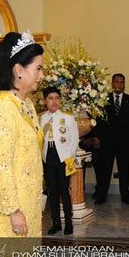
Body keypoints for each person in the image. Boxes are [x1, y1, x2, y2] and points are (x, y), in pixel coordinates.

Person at [0, 31, 44, 243]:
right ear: (19, 70)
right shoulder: (2, 106)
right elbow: (1, 164)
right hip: (11, 209)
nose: (41, 75)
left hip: (29, 200)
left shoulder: (26, 104)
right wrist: (13, 210)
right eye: (38, 69)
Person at [92, 73, 129, 205]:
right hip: (107, 141)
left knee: (124, 169)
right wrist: (96, 137)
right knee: (105, 169)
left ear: (124, 84)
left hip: (124, 142)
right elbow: (98, 120)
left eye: (122, 82)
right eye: (117, 82)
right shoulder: (103, 100)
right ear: (112, 83)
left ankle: (125, 195)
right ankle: (101, 195)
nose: (119, 85)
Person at [40, 86, 79, 235]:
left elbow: (74, 140)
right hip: (48, 158)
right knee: (52, 192)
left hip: (63, 159)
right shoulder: (42, 118)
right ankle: (56, 222)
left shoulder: (68, 118)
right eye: (50, 98)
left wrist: (69, 156)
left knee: (64, 191)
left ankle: (68, 222)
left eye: (57, 98)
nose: (54, 102)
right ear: (45, 101)